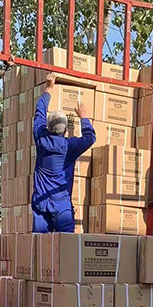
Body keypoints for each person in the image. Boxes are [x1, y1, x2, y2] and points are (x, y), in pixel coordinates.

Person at [32, 71, 96, 233]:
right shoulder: (70, 146)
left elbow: (39, 112)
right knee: (67, 244)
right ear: (66, 130)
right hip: (61, 205)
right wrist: (84, 118)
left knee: (39, 244)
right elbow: (90, 138)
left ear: (47, 127)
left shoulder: (41, 139)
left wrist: (49, 88)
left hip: (41, 203)